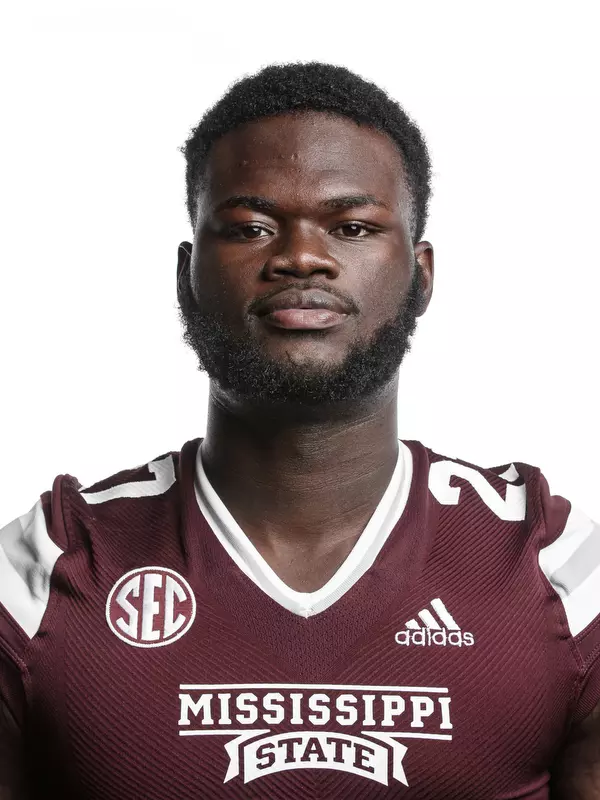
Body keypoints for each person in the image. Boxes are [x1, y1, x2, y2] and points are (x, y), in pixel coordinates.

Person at [0, 61, 598, 800]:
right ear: (187, 273)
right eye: (251, 227)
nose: (300, 258)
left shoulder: (559, 572)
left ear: (421, 275)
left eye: (350, 227)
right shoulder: (43, 573)